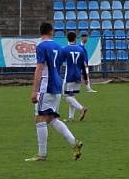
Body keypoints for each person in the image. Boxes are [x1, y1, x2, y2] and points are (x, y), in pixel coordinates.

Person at [25, 22, 83, 162]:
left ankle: (42, 154)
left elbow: (39, 68)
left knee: (39, 118)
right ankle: (74, 143)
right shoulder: (58, 46)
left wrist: (35, 90)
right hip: (57, 84)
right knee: (51, 118)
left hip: (46, 85)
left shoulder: (41, 46)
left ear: (41, 32)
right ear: (51, 31)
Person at [61, 31, 90, 122]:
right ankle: (71, 118)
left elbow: (59, 62)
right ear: (75, 38)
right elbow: (82, 65)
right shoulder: (80, 49)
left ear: (67, 39)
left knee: (66, 96)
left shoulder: (65, 49)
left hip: (69, 75)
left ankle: (81, 108)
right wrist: (85, 78)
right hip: (77, 75)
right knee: (71, 96)